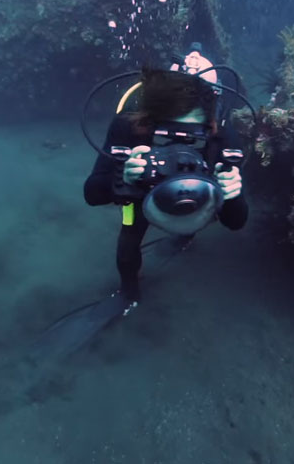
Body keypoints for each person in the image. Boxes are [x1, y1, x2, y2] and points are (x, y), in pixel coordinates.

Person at [83, 65, 249, 315]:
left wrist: (232, 194)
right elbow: (92, 194)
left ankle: (186, 235)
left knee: (193, 216)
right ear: (146, 122)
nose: (178, 150)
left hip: (198, 198)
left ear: (210, 127)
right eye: (165, 138)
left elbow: (236, 221)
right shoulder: (129, 127)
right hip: (141, 193)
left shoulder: (222, 138)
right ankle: (129, 293)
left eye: (191, 140)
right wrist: (123, 178)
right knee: (129, 238)